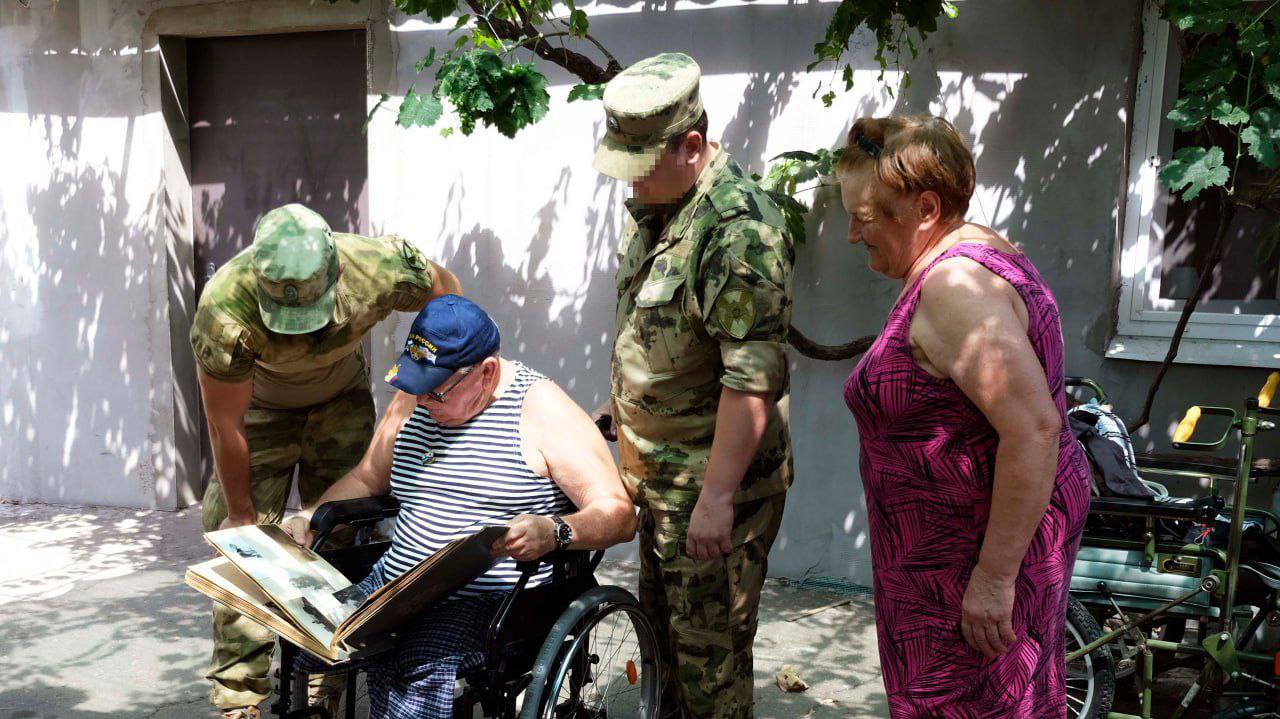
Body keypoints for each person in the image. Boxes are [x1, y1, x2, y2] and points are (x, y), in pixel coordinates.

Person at [837, 115, 1091, 717]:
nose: (851, 234)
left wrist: (995, 578)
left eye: (865, 217)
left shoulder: (954, 287)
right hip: (957, 555)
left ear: (925, 208)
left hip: (968, 565)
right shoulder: (978, 249)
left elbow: (1033, 427)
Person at [281, 295, 637, 718]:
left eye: (437, 393)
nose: (423, 402)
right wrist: (306, 516)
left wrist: (554, 530)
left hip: (492, 599)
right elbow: (366, 478)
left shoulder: (542, 411)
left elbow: (618, 514)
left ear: (485, 373)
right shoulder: (417, 395)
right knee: (309, 631)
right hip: (398, 585)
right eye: (418, 389)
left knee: (414, 665)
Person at [191, 203, 460, 719]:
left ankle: (322, 673)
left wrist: (411, 389)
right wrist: (243, 515)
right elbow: (226, 425)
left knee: (340, 537)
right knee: (241, 546)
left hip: (340, 403)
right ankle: (239, 697)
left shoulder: (376, 265)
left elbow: (448, 298)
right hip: (259, 413)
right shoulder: (224, 307)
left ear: (337, 270)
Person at [590, 52, 794, 719]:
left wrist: (717, 497)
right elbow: (657, 334)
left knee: (711, 668)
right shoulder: (658, 202)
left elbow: (751, 378)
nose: (630, 180)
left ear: (693, 147)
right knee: (667, 655)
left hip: (709, 487)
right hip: (660, 478)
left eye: (640, 164)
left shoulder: (738, 230)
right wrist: (623, 407)